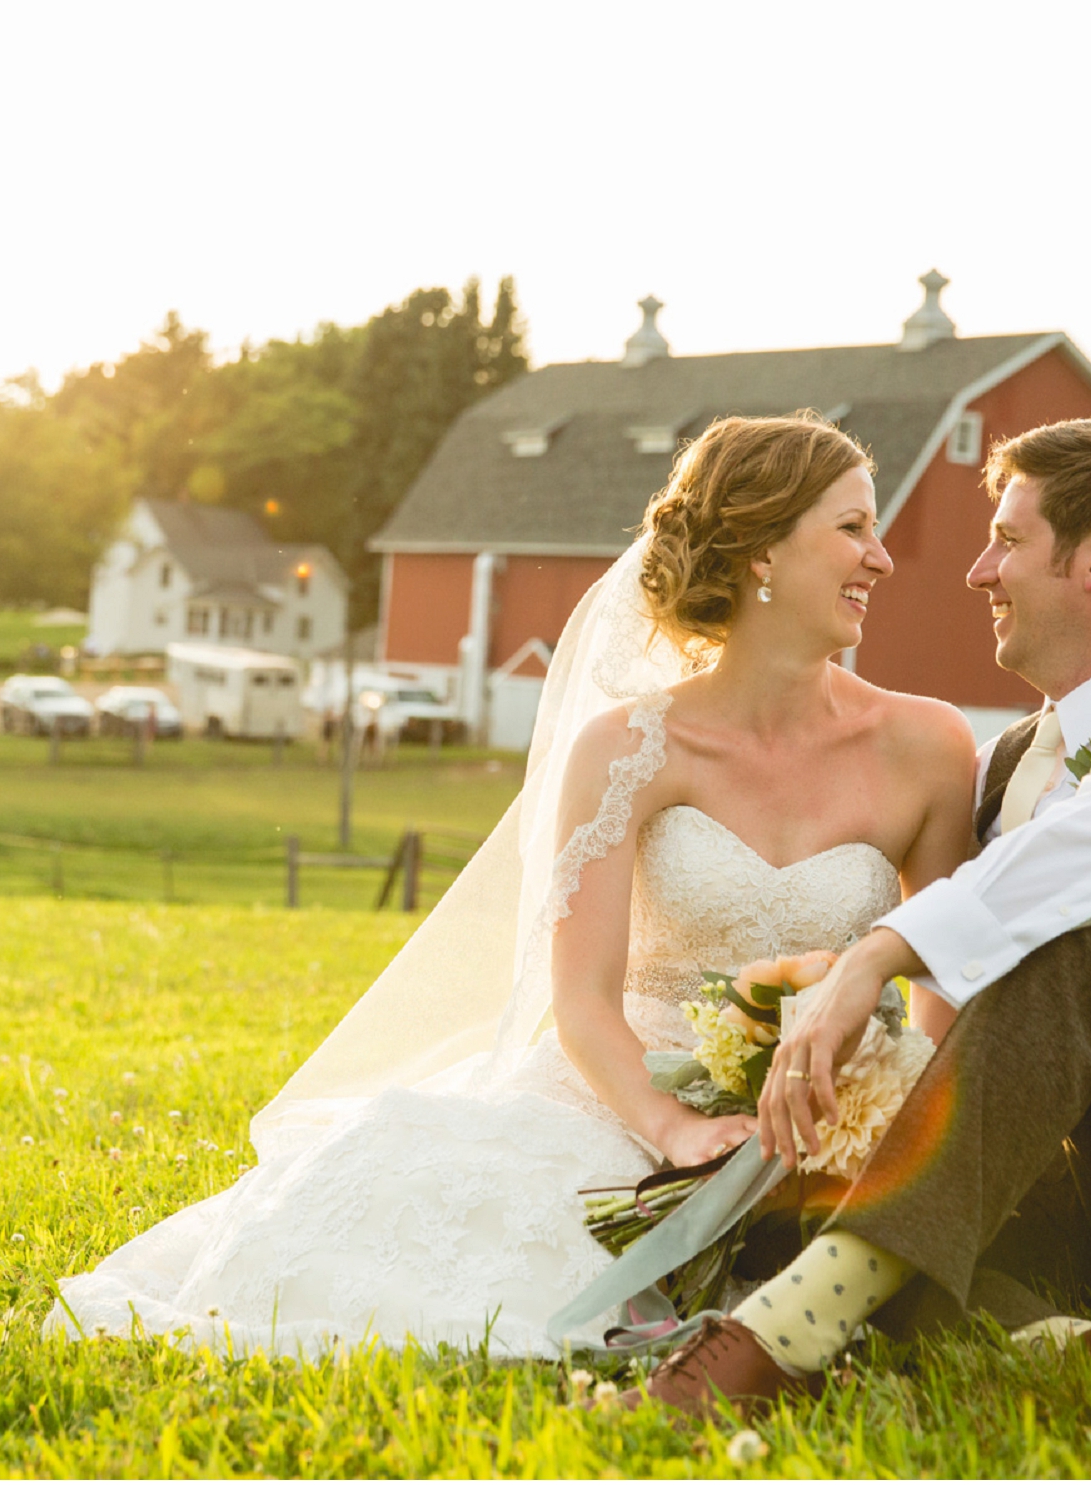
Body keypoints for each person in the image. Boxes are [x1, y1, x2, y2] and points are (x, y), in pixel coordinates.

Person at [47, 413, 979, 1358]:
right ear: (761, 550)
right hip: (622, 1092)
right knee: (480, 1259)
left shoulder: (930, 746)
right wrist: (672, 1128)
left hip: (838, 1111)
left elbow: (945, 989)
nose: (882, 558)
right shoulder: (626, 748)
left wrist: (893, 1123)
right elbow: (582, 999)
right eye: (854, 528)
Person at [631, 411, 1091, 1415]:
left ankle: (774, 1341)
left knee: (1080, 943)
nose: (978, 572)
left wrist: (875, 957)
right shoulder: (1003, 765)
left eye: (1008, 540)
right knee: (818, 1185)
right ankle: (1077, 1347)